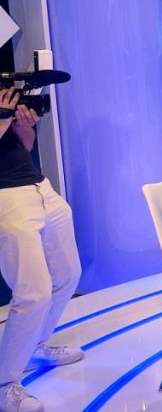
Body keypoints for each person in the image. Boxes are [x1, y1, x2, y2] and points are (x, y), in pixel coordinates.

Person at [0, 86, 83, 412]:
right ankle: (5, 384)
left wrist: (22, 126)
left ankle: (34, 346)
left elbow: (26, 146)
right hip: (6, 197)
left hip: (38, 186)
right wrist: (3, 119)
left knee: (68, 274)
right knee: (33, 294)